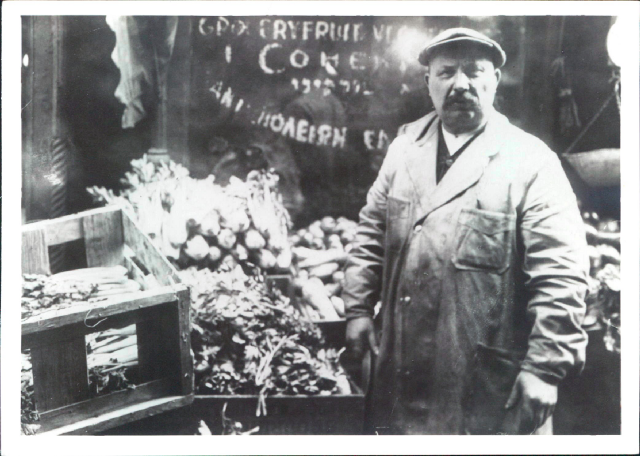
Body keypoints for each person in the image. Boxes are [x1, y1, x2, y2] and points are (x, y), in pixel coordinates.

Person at [342, 28, 589, 435]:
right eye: (446, 72)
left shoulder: (531, 161)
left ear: (494, 81)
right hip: (402, 374)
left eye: (475, 72)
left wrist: (545, 369)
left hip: (484, 387)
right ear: (428, 83)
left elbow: (561, 276)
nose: (461, 84)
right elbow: (371, 231)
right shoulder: (404, 149)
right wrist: (356, 309)